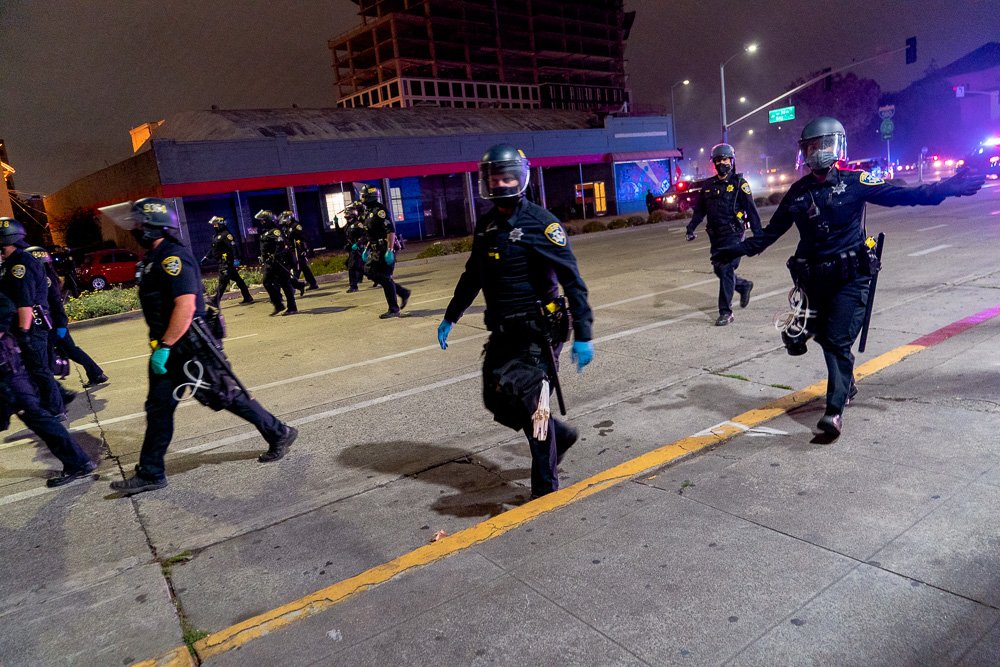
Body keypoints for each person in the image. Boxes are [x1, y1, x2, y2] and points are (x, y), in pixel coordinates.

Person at [713, 117, 985, 437]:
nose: (817, 152)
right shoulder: (799, 192)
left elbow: (904, 194)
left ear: (837, 146)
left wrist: (948, 186)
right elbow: (771, 233)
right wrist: (736, 250)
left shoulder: (857, 181)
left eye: (823, 145)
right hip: (815, 282)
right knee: (824, 338)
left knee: (837, 341)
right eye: (810, 147)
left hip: (851, 278)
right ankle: (841, 375)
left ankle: (833, 410)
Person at [437, 144, 595, 499]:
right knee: (495, 398)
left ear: (520, 177)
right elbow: (473, 273)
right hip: (503, 330)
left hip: (540, 330)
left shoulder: (542, 224)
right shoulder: (488, 224)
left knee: (534, 406)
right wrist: (452, 313)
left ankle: (544, 490)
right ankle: (562, 435)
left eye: (508, 175)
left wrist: (583, 333)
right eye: (495, 176)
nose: (501, 182)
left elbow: (573, 281)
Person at [109, 198, 298, 495]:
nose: (136, 229)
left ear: (155, 226)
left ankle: (280, 432)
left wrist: (166, 346)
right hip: (169, 349)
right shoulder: (152, 258)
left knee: (226, 397)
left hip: (188, 348)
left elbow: (185, 307)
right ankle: (151, 472)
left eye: (141, 224)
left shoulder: (173, 258)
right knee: (159, 408)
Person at [0, 292, 98, 487]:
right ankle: (78, 462)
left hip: (7, 372)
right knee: (37, 417)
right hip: (8, 372)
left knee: (38, 417)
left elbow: (9, 307)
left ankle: (79, 462)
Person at [0, 218, 69, 418]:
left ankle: (56, 410)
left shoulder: (21, 264)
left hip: (33, 327)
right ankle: (51, 403)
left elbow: (25, 302)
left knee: (40, 370)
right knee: (32, 369)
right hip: (25, 326)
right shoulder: (11, 263)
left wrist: (23, 332)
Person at [686, 143, 761, 326]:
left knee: (726, 267)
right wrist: (691, 228)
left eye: (725, 159)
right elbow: (699, 211)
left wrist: (760, 237)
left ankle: (725, 312)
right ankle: (743, 285)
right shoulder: (708, 185)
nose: (721, 163)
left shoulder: (739, 184)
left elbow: (752, 211)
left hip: (734, 233)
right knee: (718, 269)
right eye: (718, 160)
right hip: (716, 236)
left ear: (732, 161)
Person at [26, 246, 108, 388]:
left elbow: (56, 304)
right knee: (69, 351)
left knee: (63, 352)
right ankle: (96, 374)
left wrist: (61, 326)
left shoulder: (46, 280)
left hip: (54, 325)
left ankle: (94, 375)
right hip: (52, 323)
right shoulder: (45, 277)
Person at [359, 185, 411, 318]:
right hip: (376, 249)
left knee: (386, 278)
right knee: (368, 271)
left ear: (370, 197)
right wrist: (366, 249)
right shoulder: (367, 212)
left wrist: (390, 250)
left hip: (386, 247)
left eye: (364, 196)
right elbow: (373, 234)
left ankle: (394, 309)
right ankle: (402, 292)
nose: (361, 198)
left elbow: (390, 231)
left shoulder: (380, 211)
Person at [254, 210, 299, 316]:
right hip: (269, 264)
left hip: (278, 263)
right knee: (266, 282)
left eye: (263, 221)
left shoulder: (275, 231)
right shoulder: (265, 232)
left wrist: (276, 255)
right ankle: (278, 304)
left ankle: (292, 307)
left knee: (285, 284)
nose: (262, 223)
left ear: (269, 221)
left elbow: (281, 244)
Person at [204, 216, 253, 306]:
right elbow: (213, 248)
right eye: (213, 225)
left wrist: (235, 259)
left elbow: (233, 246)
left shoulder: (226, 235)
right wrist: (207, 256)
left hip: (226, 262)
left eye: (215, 224)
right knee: (238, 280)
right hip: (222, 262)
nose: (214, 226)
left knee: (223, 281)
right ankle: (247, 297)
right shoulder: (216, 236)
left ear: (221, 225)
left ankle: (215, 300)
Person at [278, 211, 318, 291]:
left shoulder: (296, 226)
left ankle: (294, 285)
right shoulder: (285, 227)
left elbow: (305, 237)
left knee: (297, 267)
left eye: (285, 217)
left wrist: (305, 250)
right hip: (290, 250)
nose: (284, 219)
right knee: (304, 268)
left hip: (298, 250)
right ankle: (313, 283)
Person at [344, 204, 367, 293]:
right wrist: (336, 223)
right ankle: (375, 276)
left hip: (358, 249)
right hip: (352, 249)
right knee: (355, 266)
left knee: (351, 266)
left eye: (347, 213)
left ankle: (353, 286)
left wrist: (358, 243)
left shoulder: (358, 224)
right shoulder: (348, 225)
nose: (346, 215)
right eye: (345, 214)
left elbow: (365, 235)